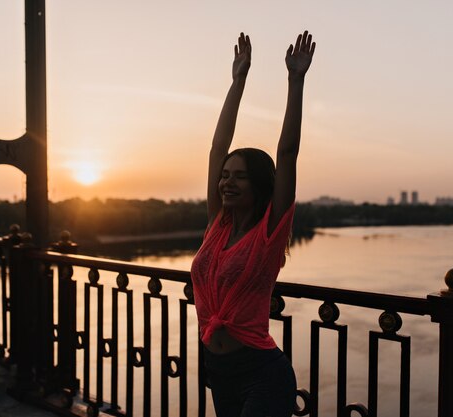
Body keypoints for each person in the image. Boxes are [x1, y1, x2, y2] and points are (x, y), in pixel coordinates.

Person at [190, 30, 316, 417]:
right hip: (217, 369)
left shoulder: (269, 233)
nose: (226, 181)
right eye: (225, 175)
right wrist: (237, 81)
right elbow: (216, 148)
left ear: (259, 185)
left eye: (238, 176)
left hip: (261, 373)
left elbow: (288, 153)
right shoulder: (218, 226)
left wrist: (296, 82)